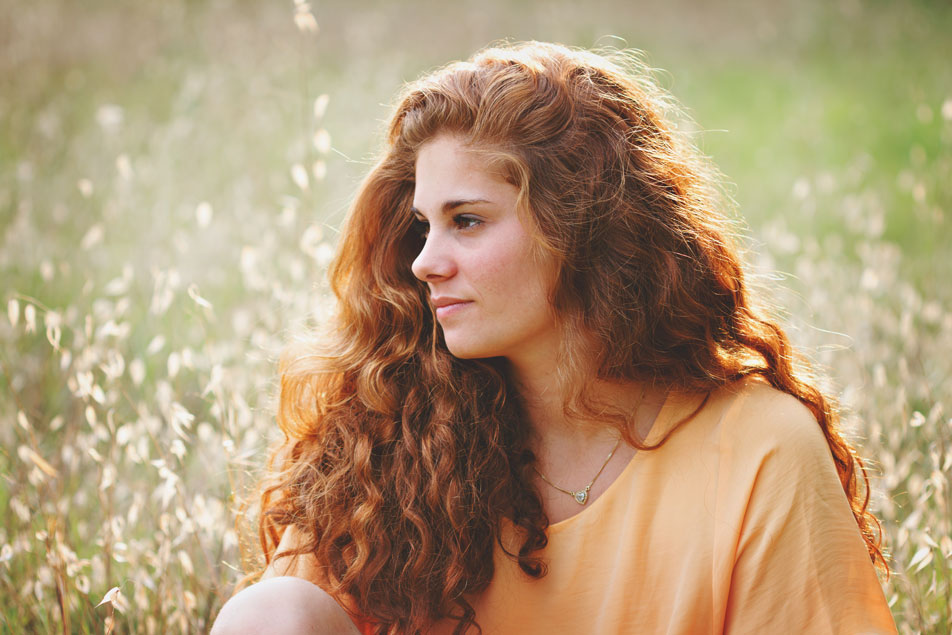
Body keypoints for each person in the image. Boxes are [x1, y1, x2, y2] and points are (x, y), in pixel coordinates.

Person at [211, 41, 897, 634]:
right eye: (424, 225)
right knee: (271, 611)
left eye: (468, 220)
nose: (424, 261)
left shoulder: (757, 448)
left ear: (580, 226)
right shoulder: (393, 429)